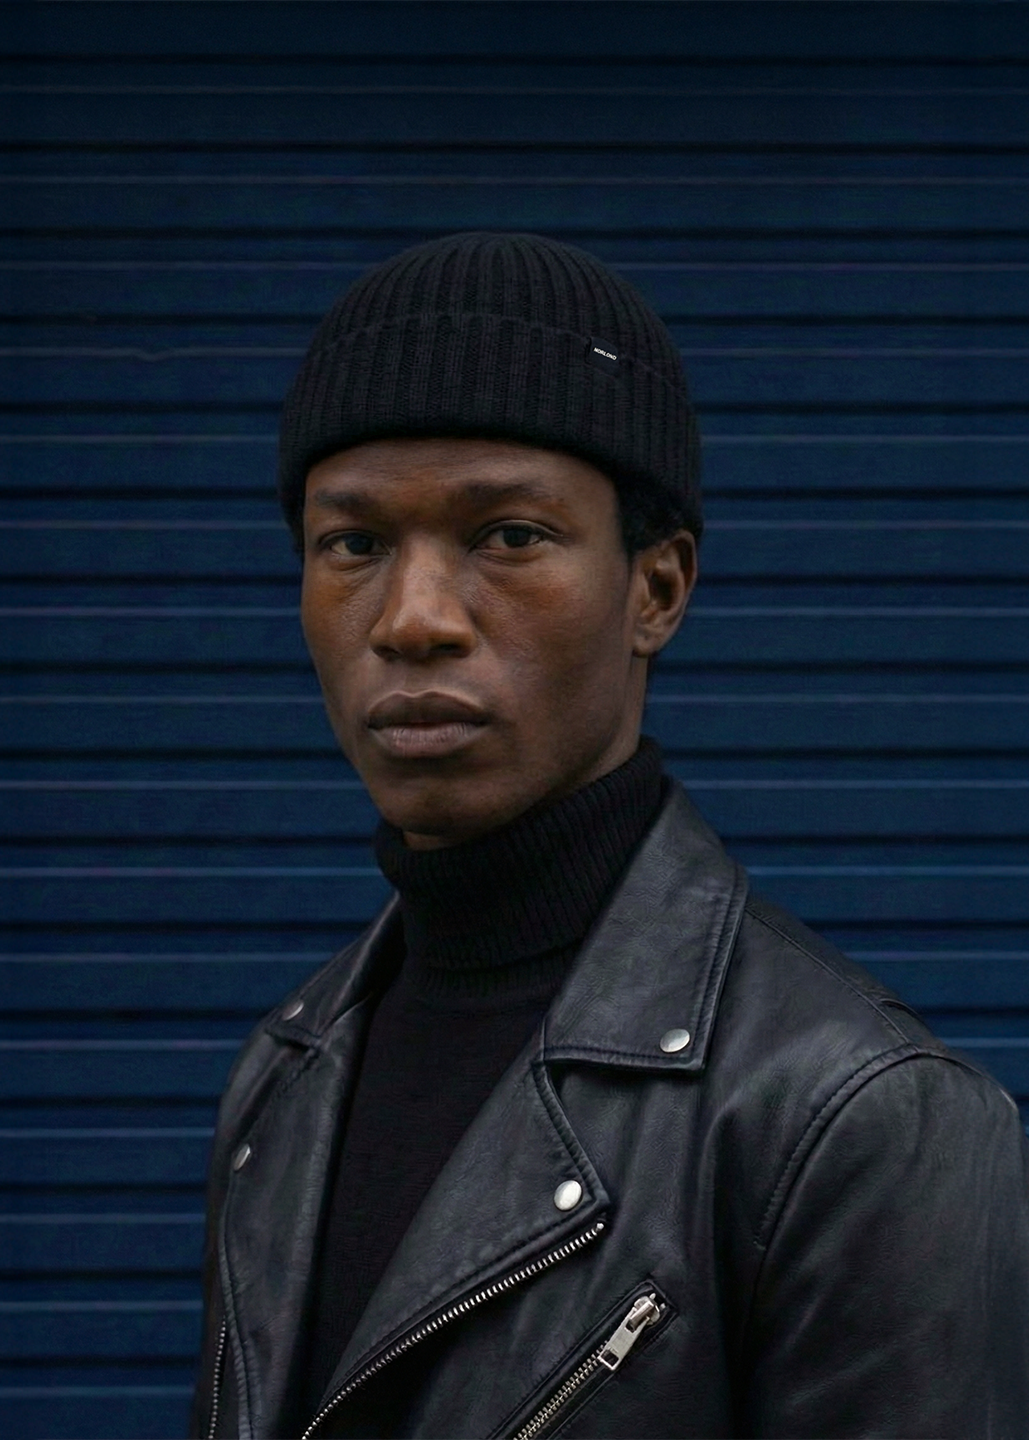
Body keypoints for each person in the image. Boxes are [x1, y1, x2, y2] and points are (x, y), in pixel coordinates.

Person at [190, 232, 1029, 1440]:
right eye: (354, 544)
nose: (414, 618)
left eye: (508, 536)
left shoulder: (856, 1118)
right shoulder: (284, 1078)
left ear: (658, 589)